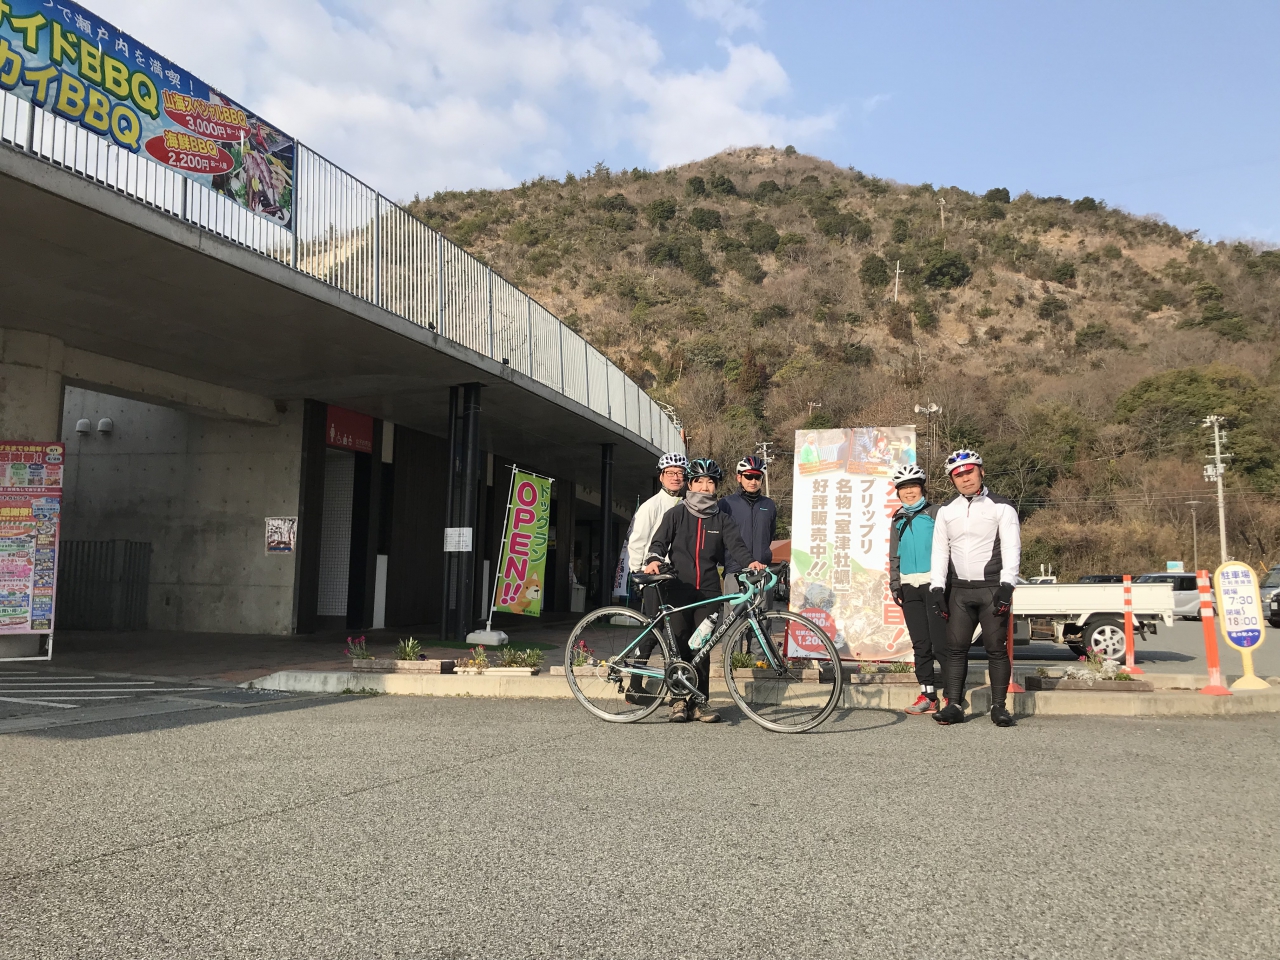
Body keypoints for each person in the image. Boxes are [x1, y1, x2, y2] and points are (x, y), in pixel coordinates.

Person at [644, 458, 765, 723]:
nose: (704, 486)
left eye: (710, 482)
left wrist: (751, 563)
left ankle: (700, 702)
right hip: (678, 588)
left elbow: (738, 547)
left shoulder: (722, 519)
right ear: (690, 484)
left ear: (716, 487)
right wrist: (653, 559)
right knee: (678, 644)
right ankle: (678, 701)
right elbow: (659, 543)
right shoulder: (676, 514)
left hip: (709, 590)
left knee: (703, 647)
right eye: (699, 481)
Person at [928, 449, 1022, 728]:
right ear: (952, 480)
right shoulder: (947, 511)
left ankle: (999, 707)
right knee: (955, 649)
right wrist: (937, 587)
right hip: (959, 590)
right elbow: (939, 551)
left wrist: (1008, 584)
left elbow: (1012, 547)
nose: (965, 479)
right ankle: (954, 705)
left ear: (981, 472)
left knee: (996, 649)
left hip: (992, 587)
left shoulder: (1001, 507)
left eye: (970, 472)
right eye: (958, 476)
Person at [623, 452, 687, 704]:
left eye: (680, 473)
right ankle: (635, 685)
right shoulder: (651, 506)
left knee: (676, 632)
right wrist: (638, 574)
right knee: (653, 629)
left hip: (678, 577)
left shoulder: (686, 504)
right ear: (661, 476)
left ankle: (676, 688)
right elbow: (637, 542)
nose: (676, 477)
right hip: (653, 576)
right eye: (670, 473)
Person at [887, 463, 947, 715]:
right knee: (920, 644)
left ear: (922, 488)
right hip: (909, 588)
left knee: (941, 644)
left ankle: (952, 694)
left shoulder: (937, 513)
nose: (909, 492)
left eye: (913, 486)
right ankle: (928, 695)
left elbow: (948, 549)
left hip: (934, 585)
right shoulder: (898, 518)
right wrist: (895, 583)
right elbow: (894, 554)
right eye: (904, 488)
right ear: (898, 492)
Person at [719, 455, 777, 602]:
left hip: (762, 571)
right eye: (749, 476)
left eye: (758, 477)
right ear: (739, 477)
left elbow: (769, 534)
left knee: (763, 616)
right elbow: (720, 538)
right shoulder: (725, 504)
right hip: (735, 571)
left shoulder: (769, 505)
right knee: (735, 615)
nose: (753, 481)